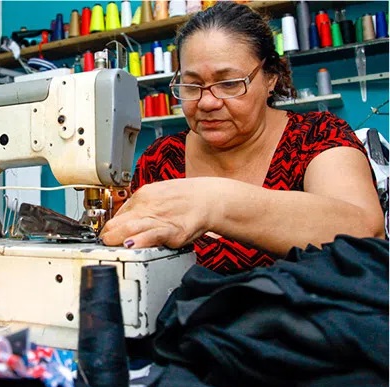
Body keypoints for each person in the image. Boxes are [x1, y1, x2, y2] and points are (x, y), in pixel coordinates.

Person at [101, 1, 385, 275]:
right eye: (192, 85)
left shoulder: (317, 137)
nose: (207, 102)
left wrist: (214, 203)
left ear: (270, 77)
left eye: (228, 83)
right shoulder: (162, 159)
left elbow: (365, 233)